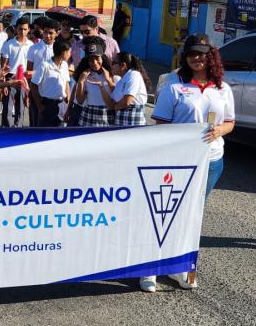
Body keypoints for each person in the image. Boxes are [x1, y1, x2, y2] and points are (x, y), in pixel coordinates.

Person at [146, 34, 235, 292]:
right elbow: (161, 124)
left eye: (202, 53)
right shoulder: (174, 86)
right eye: (191, 54)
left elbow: (229, 122)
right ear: (184, 57)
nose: (196, 58)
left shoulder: (222, 88)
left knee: (192, 217)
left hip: (211, 161)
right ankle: (150, 268)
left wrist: (220, 131)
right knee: (164, 214)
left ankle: (182, 268)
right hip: (177, 163)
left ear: (211, 56)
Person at [98, 52, 150, 126]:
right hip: (122, 120)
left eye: (113, 63)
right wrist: (108, 81)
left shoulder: (133, 74)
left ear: (123, 65)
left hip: (133, 120)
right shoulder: (122, 79)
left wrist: (115, 107)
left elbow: (127, 100)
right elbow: (117, 96)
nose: (111, 65)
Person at [26, 18, 60, 127]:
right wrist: (28, 92)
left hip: (53, 93)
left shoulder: (59, 50)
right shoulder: (33, 48)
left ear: (57, 33)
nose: (48, 35)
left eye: (51, 33)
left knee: (52, 124)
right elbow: (29, 71)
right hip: (36, 90)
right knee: (35, 121)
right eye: (45, 32)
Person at [73, 39, 115, 127]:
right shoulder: (85, 75)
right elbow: (80, 101)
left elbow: (116, 97)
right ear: (87, 61)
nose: (95, 63)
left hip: (106, 114)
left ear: (103, 58)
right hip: (89, 113)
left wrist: (108, 80)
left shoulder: (112, 75)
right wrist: (81, 82)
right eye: (91, 60)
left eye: (97, 58)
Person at [0, 18, 33, 127]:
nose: (22, 32)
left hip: (24, 79)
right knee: (7, 108)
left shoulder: (31, 45)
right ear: (16, 29)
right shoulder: (9, 44)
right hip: (10, 78)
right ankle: (6, 130)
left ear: (28, 30)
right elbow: (3, 65)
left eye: (25, 29)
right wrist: (3, 83)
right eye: (20, 29)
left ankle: (18, 129)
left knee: (21, 107)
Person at [32, 41, 72, 127]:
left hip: (62, 104)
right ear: (63, 52)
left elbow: (66, 83)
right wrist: (40, 106)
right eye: (69, 52)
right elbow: (33, 85)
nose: (70, 54)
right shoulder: (45, 65)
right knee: (44, 134)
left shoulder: (64, 65)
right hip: (47, 105)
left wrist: (68, 102)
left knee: (60, 134)